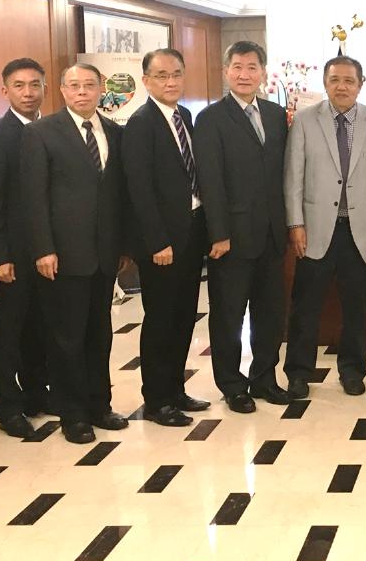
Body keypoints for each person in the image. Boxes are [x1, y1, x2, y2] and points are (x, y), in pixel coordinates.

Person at [21, 63, 129, 444]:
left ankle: (100, 404)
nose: (82, 92)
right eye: (74, 86)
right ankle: (73, 414)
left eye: (89, 85)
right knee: (66, 337)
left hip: (104, 253)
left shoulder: (115, 132)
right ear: (62, 91)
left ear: (101, 89)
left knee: (100, 333)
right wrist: (43, 249)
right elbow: (32, 198)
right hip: (62, 255)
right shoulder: (40, 133)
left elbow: (118, 196)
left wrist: (123, 246)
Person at [283, 55, 366, 399]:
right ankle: (299, 373)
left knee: (356, 308)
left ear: (361, 84)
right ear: (325, 83)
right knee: (305, 307)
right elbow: (293, 175)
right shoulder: (304, 120)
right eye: (335, 80)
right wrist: (296, 222)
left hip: (361, 228)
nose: (341, 86)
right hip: (315, 228)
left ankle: (352, 370)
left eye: (349, 80)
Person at [194, 41, 290, 414]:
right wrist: (218, 233)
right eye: (237, 67)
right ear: (226, 71)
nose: (245, 74)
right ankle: (232, 384)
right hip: (230, 237)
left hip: (271, 233)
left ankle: (265, 378)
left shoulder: (276, 113)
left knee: (270, 312)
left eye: (252, 67)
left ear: (263, 73)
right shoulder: (211, 119)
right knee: (229, 314)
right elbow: (210, 180)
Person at [122, 48, 210, 426]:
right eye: (161, 76)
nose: (170, 81)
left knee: (184, 316)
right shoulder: (141, 123)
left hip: (190, 233)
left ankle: (175, 389)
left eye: (176, 74)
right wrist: (156, 242)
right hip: (161, 243)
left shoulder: (183, 116)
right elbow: (138, 189)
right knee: (160, 319)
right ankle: (157, 400)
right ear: (146, 81)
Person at [0, 57, 51, 438]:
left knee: (41, 326)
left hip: (49, 252)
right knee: (9, 331)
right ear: (5, 91)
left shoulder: (53, 129)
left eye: (35, 85)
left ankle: (38, 393)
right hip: (14, 255)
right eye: (19, 85)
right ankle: (9, 405)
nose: (28, 92)